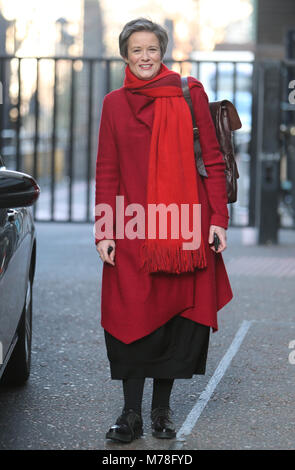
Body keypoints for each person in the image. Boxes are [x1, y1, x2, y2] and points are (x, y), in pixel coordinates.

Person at [94, 17, 233, 443]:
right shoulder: (114, 103)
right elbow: (107, 169)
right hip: (134, 229)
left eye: (151, 49)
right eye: (136, 50)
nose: (145, 57)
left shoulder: (189, 95)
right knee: (131, 316)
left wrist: (217, 220)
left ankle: (161, 412)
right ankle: (130, 414)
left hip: (183, 229)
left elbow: (212, 162)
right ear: (125, 55)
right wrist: (105, 229)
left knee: (175, 319)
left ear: (163, 51)